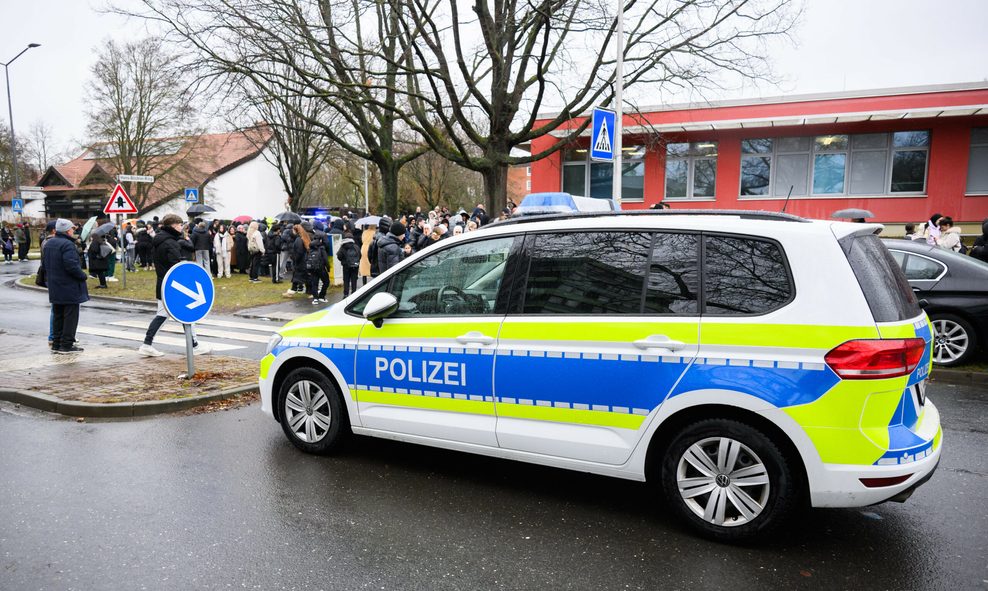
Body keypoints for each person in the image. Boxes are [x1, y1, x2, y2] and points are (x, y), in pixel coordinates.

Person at [139, 213, 210, 357]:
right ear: (172, 226)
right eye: (179, 225)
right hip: (174, 286)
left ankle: (147, 344)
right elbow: (175, 266)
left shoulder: (161, 239)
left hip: (164, 283)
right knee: (186, 314)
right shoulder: (170, 242)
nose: (181, 227)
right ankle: (194, 345)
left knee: (165, 315)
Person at [43, 219, 88, 354]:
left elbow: (44, 265)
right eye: (72, 229)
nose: (73, 231)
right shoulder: (68, 245)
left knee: (58, 315)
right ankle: (67, 344)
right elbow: (71, 266)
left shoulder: (49, 243)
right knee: (70, 316)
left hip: (55, 286)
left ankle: (56, 344)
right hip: (69, 286)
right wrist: (83, 276)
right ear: (68, 230)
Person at [307, 229, 330, 304]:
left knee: (314, 283)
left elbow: (307, 258)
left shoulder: (310, 247)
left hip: (312, 268)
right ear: (320, 240)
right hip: (321, 268)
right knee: (326, 282)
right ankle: (322, 296)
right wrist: (328, 268)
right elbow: (325, 259)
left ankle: (315, 299)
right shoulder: (321, 247)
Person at [288, 223, 311, 295]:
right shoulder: (305, 237)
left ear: (296, 231)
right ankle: (309, 291)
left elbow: (299, 252)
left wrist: (295, 259)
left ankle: (292, 291)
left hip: (300, 261)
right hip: (305, 261)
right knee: (306, 277)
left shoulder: (298, 239)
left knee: (297, 276)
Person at [337, 230, 360, 297]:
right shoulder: (356, 246)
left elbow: (339, 256)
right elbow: (360, 255)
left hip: (346, 266)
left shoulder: (343, 247)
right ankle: (354, 294)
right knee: (354, 280)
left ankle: (346, 294)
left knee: (346, 280)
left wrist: (344, 261)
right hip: (355, 266)